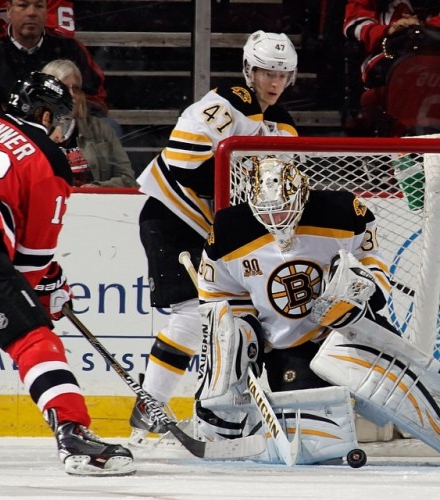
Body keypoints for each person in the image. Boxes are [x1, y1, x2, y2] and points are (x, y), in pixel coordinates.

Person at [0, 71, 134, 476]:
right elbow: (31, 262)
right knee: (31, 336)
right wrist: (48, 289)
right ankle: (73, 430)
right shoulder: (47, 157)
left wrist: (47, 279)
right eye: (61, 119)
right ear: (46, 115)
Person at [194, 157, 440, 462]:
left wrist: (362, 291)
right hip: (289, 346)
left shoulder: (342, 211)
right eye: (266, 213)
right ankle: (224, 426)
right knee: (318, 445)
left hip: (352, 331)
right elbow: (218, 294)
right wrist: (243, 332)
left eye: (283, 209)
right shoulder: (230, 229)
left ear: (301, 196)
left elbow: (371, 260)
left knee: (408, 398)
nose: (276, 220)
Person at [129, 30, 299, 443]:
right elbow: (185, 164)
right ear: (248, 70)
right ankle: (150, 406)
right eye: (266, 73)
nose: (274, 83)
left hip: (213, 233)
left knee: (234, 317)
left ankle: (223, 411)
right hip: (171, 218)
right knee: (191, 314)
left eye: (283, 75)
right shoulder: (225, 104)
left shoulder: (284, 126)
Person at [0, 0, 107, 116]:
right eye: (23, 5)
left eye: (39, 6)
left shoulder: (69, 48)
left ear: (46, 12)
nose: (32, 13)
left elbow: (95, 98)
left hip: (63, 127)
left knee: (108, 126)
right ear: (9, 10)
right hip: (5, 131)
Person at [343, 1, 440, 133]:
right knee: (410, 73)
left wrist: (422, 29)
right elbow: (355, 18)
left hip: (433, 49)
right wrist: (388, 31)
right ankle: (405, 138)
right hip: (385, 52)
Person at [41, 59, 137, 188]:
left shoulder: (101, 129)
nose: (72, 95)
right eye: (64, 88)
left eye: (76, 89)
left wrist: (99, 188)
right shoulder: (31, 132)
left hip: (94, 204)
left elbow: (128, 180)